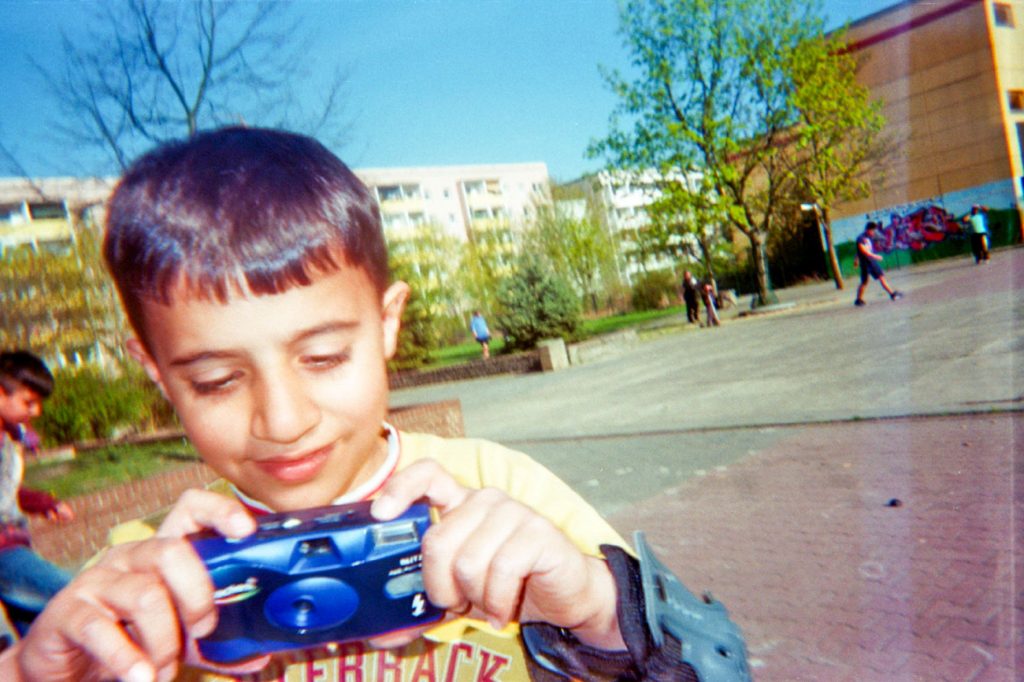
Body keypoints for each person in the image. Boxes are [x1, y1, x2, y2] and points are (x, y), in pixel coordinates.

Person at [0, 128, 749, 682]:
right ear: (157, 373)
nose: (284, 420)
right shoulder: (142, 582)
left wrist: (595, 612)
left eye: (323, 357)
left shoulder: (503, 492)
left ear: (387, 323)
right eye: (216, 380)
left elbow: (716, 666)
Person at [0, 352, 75, 638]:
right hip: (4, 552)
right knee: (74, 596)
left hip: (14, 542)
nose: (37, 412)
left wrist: (45, 503)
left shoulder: (10, 436)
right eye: (28, 403)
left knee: (37, 633)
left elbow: (7, 490)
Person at [854, 221, 903, 307]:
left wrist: (857, 259)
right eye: (872, 230)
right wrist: (875, 256)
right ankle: (858, 300)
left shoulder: (869, 237)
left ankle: (892, 294)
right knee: (864, 282)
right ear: (868, 229)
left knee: (881, 277)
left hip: (872, 262)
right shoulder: (861, 238)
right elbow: (862, 250)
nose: (873, 232)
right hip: (866, 263)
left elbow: (861, 251)